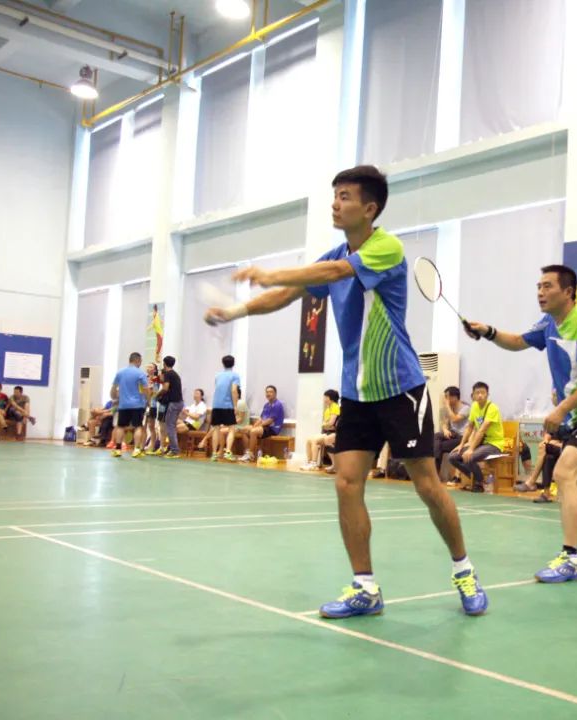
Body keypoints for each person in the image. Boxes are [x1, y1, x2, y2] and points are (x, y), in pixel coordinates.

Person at [205, 164, 487, 618]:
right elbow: (291, 294)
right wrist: (236, 312)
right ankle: (365, 587)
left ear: (370, 208)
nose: (335, 204)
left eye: (345, 197)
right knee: (346, 483)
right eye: (334, 196)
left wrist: (273, 273)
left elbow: (336, 271)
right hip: (357, 393)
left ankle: (464, 570)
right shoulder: (334, 253)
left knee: (428, 486)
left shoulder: (385, 247)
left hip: (401, 388)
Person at [467, 263, 577, 582]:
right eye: (538, 286)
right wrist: (488, 332)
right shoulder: (549, 324)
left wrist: (561, 409)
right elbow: (517, 341)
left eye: (547, 286)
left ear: (568, 292)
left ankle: (570, 559)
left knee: (564, 474)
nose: (540, 292)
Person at [447, 382, 505, 492]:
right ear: (473, 395)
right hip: (480, 444)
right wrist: (462, 445)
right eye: (477, 393)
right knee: (452, 457)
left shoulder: (492, 408)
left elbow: (482, 430)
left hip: (494, 444)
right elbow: (469, 427)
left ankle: (479, 483)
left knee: (470, 456)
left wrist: (471, 449)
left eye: (483, 392)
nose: (480, 395)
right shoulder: (474, 406)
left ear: (487, 394)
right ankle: (477, 479)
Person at [110, 352, 150, 458]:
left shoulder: (120, 373)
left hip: (123, 405)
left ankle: (118, 449)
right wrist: (148, 401)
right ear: (137, 360)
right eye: (140, 361)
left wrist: (114, 397)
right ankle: (136, 450)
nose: (140, 363)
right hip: (137, 405)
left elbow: (113, 388)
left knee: (120, 426)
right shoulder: (140, 373)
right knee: (138, 426)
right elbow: (146, 389)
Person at [208, 355, 241, 462]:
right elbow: (234, 390)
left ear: (223, 364)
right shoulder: (235, 375)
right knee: (232, 428)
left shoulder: (217, 375)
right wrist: (235, 406)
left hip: (216, 405)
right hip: (227, 405)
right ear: (233, 363)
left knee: (216, 429)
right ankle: (228, 451)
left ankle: (214, 454)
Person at [436, 386, 469, 482]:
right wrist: (445, 430)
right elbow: (444, 422)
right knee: (436, 437)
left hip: (462, 437)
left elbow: (454, 419)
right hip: (453, 434)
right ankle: (435, 473)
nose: (446, 399)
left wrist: (447, 406)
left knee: (439, 446)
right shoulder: (450, 408)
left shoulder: (466, 408)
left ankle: (435, 474)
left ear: (455, 397)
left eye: (447, 397)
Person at [305, 389, 340, 470]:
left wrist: (324, 424)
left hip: (332, 433)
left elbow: (331, 423)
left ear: (330, 398)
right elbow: (326, 424)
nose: (324, 399)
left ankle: (314, 463)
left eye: (326, 397)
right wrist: (325, 425)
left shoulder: (335, 406)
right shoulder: (328, 408)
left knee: (315, 441)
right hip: (326, 431)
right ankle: (309, 462)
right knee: (308, 440)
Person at [244, 385, 285, 453]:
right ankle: (246, 452)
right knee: (245, 429)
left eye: (271, 392)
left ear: (275, 393)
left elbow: (270, 421)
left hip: (273, 429)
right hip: (264, 427)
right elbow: (261, 418)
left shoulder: (278, 405)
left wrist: (257, 426)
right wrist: (255, 425)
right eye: (267, 392)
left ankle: (250, 454)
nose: (268, 394)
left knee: (253, 431)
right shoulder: (266, 405)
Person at [158, 355, 184, 459]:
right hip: (179, 403)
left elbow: (165, 388)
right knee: (171, 426)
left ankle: (174, 450)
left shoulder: (168, 374)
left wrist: (157, 395)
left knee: (170, 426)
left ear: (164, 364)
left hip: (174, 403)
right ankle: (173, 448)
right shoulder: (175, 374)